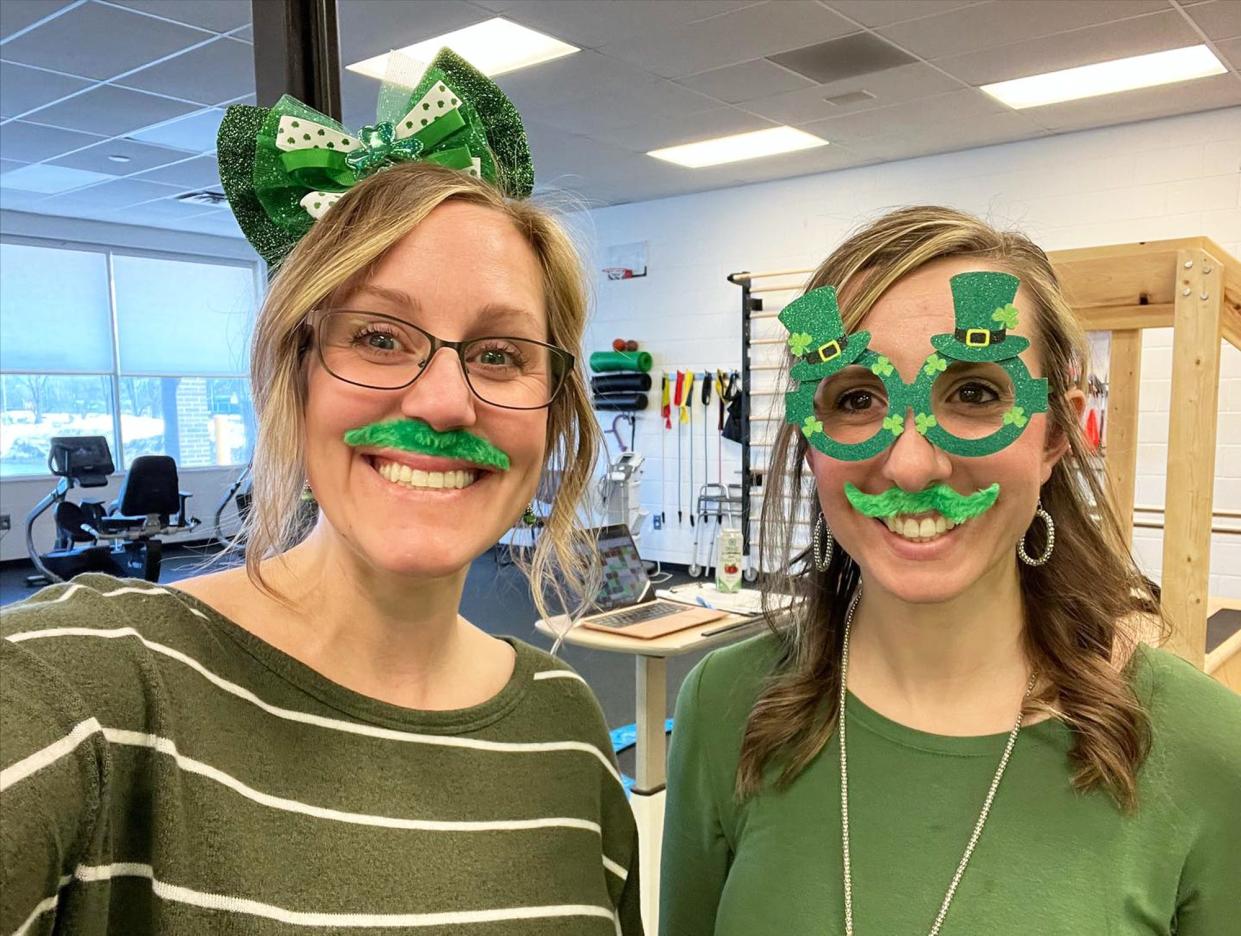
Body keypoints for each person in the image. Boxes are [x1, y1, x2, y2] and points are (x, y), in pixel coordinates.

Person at [1, 49, 641, 935]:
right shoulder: (90, 686)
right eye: (378, 336)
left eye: (499, 353)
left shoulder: (566, 734)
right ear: (292, 374)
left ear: (553, 407)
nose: (445, 400)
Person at [660, 206, 1241, 936]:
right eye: (856, 399)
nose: (909, 462)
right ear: (810, 439)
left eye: (973, 394)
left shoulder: (1202, 749)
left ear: (1055, 434)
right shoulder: (726, 707)